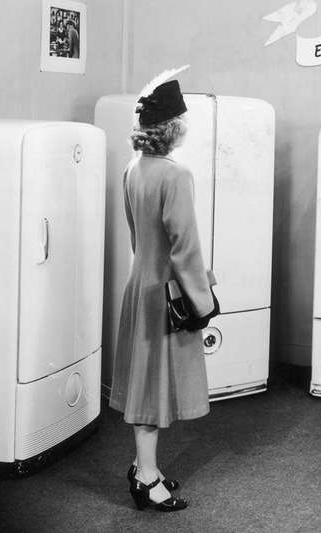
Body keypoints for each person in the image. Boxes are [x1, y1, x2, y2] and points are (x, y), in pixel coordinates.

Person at [110, 77, 215, 512]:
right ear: (174, 128)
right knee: (153, 394)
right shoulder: (176, 174)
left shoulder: (132, 170)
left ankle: (141, 468)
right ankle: (148, 480)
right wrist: (202, 296)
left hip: (141, 287)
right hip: (165, 296)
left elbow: (140, 239)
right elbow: (184, 245)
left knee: (145, 385)